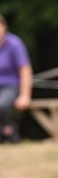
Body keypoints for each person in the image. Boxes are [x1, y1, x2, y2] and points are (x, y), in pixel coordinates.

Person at [0, 15, 32, 143]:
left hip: (11, 85)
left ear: (5, 27)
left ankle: (9, 131)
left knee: (2, 105)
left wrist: (25, 95)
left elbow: (25, 70)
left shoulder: (14, 43)